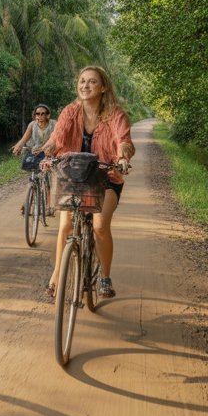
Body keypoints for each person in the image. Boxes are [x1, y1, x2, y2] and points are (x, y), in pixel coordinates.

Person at [44, 66, 134, 300]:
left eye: (92, 82)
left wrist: (123, 157)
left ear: (103, 87)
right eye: (82, 81)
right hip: (74, 176)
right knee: (65, 225)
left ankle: (105, 277)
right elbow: (57, 138)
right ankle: (56, 275)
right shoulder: (70, 111)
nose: (85, 85)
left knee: (100, 226)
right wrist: (47, 151)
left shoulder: (115, 114)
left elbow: (123, 140)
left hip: (106, 176)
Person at [11, 103, 57, 214]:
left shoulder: (54, 124)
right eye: (37, 114)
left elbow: (58, 138)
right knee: (33, 178)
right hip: (36, 152)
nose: (39, 116)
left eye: (42, 114)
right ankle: (27, 201)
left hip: (50, 152)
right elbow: (24, 139)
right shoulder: (32, 125)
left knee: (48, 179)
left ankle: (48, 207)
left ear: (48, 115)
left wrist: (50, 148)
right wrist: (18, 146)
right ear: (34, 115)